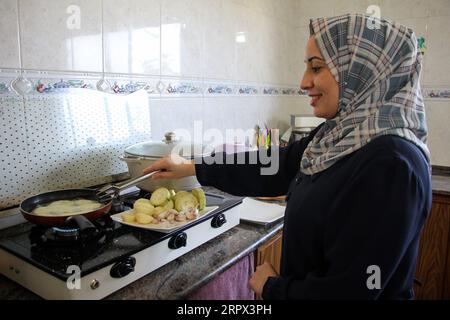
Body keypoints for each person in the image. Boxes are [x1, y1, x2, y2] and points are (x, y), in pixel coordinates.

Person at [142, 14, 432, 300]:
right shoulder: (338, 135)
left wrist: (272, 288)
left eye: (316, 68)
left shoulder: (392, 163)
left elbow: (352, 291)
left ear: (362, 71)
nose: (304, 82)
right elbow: (275, 164)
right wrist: (192, 167)